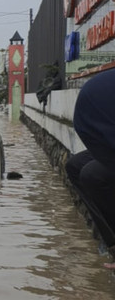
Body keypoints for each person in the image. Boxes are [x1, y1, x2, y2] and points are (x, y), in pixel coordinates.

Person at [64, 69, 115, 269]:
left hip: (104, 136)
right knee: (75, 166)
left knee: (93, 174)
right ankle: (111, 241)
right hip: (104, 136)